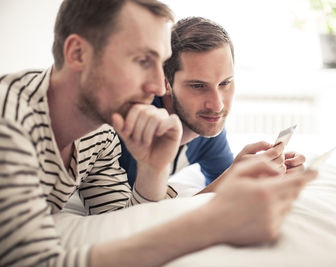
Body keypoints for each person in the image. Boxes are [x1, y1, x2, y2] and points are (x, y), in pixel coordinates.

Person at [0, 0, 317, 266]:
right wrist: (208, 226)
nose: (157, 87)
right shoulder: (9, 122)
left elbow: (120, 223)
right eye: (142, 61)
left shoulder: (99, 135)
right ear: (78, 54)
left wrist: (153, 170)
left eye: (160, 64)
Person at [119, 16, 306, 192]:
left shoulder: (206, 127)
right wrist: (232, 177)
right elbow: (134, 218)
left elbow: (219, 188)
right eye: (198, 85)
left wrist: (269, 178)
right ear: (165, 82)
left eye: (225, 83)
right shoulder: (131, 129)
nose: (217, 106)